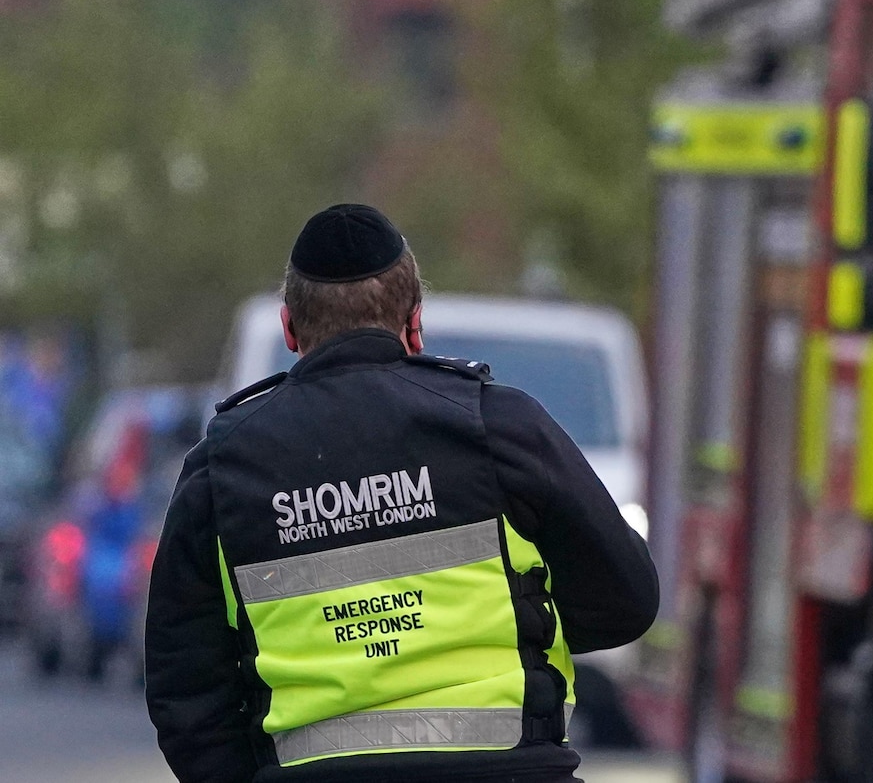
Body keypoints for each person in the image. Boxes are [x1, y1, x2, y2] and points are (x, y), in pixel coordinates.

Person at [145, 204, 659, 783]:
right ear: (414, 322)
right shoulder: (499, 427)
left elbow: (183, 693)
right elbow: (627, 602)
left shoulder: (221, 468)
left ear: (291, 329)